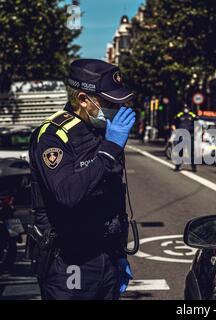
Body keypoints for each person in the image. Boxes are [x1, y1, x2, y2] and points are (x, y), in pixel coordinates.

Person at [28, 59, 136, 300]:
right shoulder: (53, 135)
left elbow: (112, 195)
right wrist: (108, 150)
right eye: (110, 103)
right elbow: (67, 194)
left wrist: (119, 252)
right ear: (84, 100)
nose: (118, 109)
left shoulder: (101, 132)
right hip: (68, 260)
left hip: (106, 256)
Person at [171, 105, 197, 172]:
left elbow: (197, 124)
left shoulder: (192, 115)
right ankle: (177, 166)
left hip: (190, 135)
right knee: (180, 151)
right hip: (181, 135)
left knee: (191, 152)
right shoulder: (179, 115)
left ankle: (194, 167)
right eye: (184, 108)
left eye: (187, 108)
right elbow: (173, 124)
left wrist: (195, 132)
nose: (186, 109)